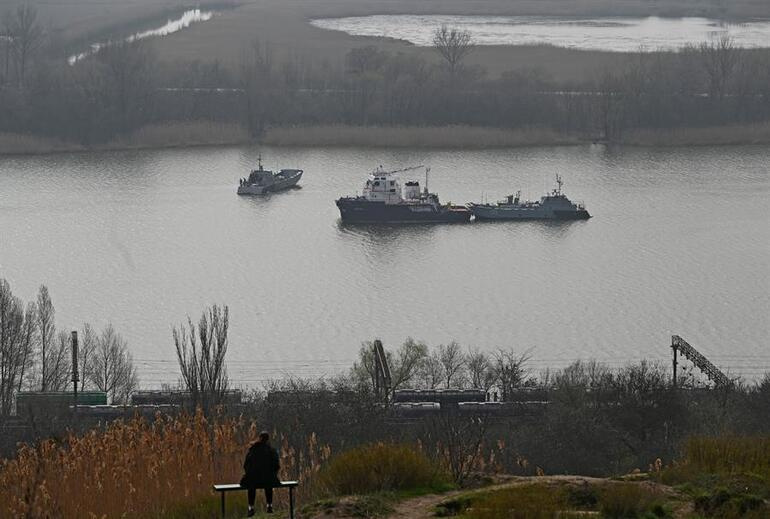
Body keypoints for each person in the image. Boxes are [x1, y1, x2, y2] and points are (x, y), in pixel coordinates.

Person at [240, 431, 280, 516]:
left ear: (259, 438)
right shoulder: (271, 451)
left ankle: (251, 507)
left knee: (251, 483)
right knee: (269, 481)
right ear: (268, 440)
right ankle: (269, 505)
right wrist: (273, 473)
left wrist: (249, 473)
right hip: (268, 479)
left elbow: (246, 465)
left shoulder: (253, 450)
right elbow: (276, 466)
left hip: (253, 479)